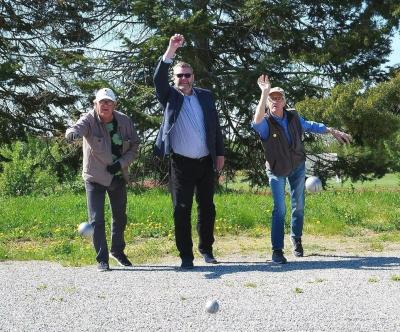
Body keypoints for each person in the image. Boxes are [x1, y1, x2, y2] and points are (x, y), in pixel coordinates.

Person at [252, 74, 351, 264]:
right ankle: (277, 251)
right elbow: (256, 122)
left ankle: (296, 238)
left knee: (299, 205)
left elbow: (311, 125)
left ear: (284, 101)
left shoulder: (294, 116)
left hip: (297, 165)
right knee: (279, 209)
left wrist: (332, 130)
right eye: (272, 98)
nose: (276, 101)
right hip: (276, 169)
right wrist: (264, 92)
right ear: (267, 102)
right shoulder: (265, 123)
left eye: (279, 97)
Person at [154, 34, 225, 269]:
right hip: (181, 163)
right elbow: (158, 80)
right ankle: (186, 255)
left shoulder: (205, 96)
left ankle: (207, 249)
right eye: (179, 75)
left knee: (207, 207)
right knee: (181, 209)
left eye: (187, 75)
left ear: (193, 77)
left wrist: (220, 153)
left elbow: (215, 126)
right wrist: (170, 50)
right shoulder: (170, 97)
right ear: (174, 79)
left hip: (205, 162)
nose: (183, 79)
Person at [65, 88, 140, 272]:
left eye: (109, 102)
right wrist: (71, 133)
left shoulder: (124, 121)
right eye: (101, 102)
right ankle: (102, 259)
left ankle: (117, 251)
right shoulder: (89, 119)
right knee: (96, 219)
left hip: (117, 175)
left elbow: (135, 146)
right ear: (95, 104)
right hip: (95, 177)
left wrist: (121, 163)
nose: (105, 105)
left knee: (120, 217)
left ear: (114, 105)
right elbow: (77, 128)